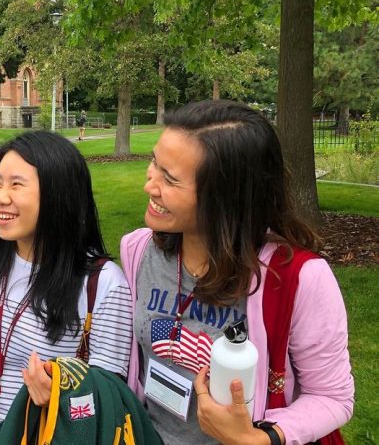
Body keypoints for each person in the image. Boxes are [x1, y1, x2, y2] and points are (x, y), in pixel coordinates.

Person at [120, 100, 354, 444]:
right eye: (155, 162)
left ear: (224, 197)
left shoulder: (297, 278)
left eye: (170, 179)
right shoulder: (138, 251)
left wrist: (262, 438)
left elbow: (333, 397)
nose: (150, 185)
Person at [0, 131, 134, 445]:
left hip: (36, 436)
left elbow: (107, 395)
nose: (1, 197)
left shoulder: (102, 283)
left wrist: (56, 391)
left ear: (59, 194)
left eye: (16, 184)